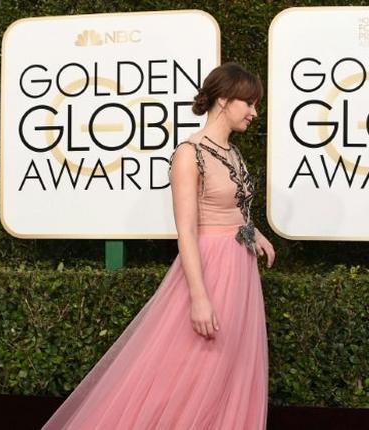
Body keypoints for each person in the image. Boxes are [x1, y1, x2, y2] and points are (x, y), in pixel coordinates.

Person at [41, 62, 275, 430]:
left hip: (240, 270)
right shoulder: (189, 153)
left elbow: (232, 208)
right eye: (249, 103)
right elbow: (186, 231)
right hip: (210, 269)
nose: (254, 112)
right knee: (196, 369)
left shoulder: (232, 152)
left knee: (231, 367)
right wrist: (199, 297)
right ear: (225, 100)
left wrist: (254, 232)